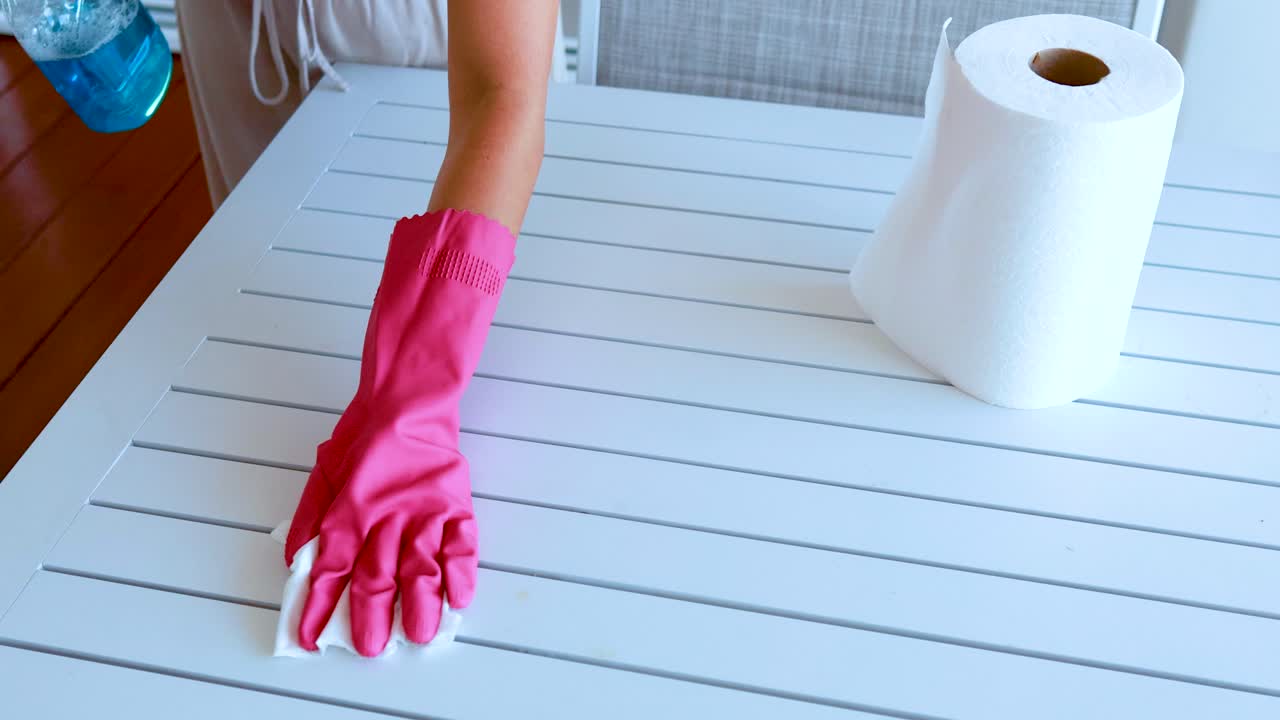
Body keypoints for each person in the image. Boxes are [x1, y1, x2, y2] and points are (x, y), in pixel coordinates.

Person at [176, 0, 561, 657]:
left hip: (395, 50)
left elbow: (500, 90)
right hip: (228, 26)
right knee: (254, 257)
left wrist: (414, 389)